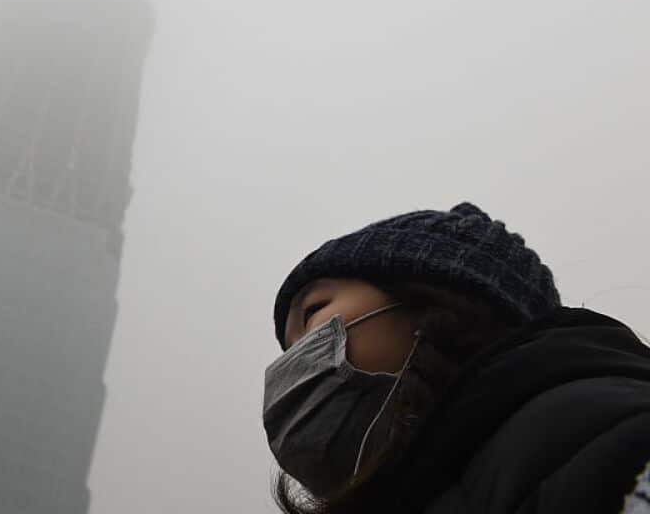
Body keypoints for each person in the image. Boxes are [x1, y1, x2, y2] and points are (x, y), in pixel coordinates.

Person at [264, 202, 650, 513]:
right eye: (291, 347)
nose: (298, 359)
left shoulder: (607, 435)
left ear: (430, 297)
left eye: (312, 312)